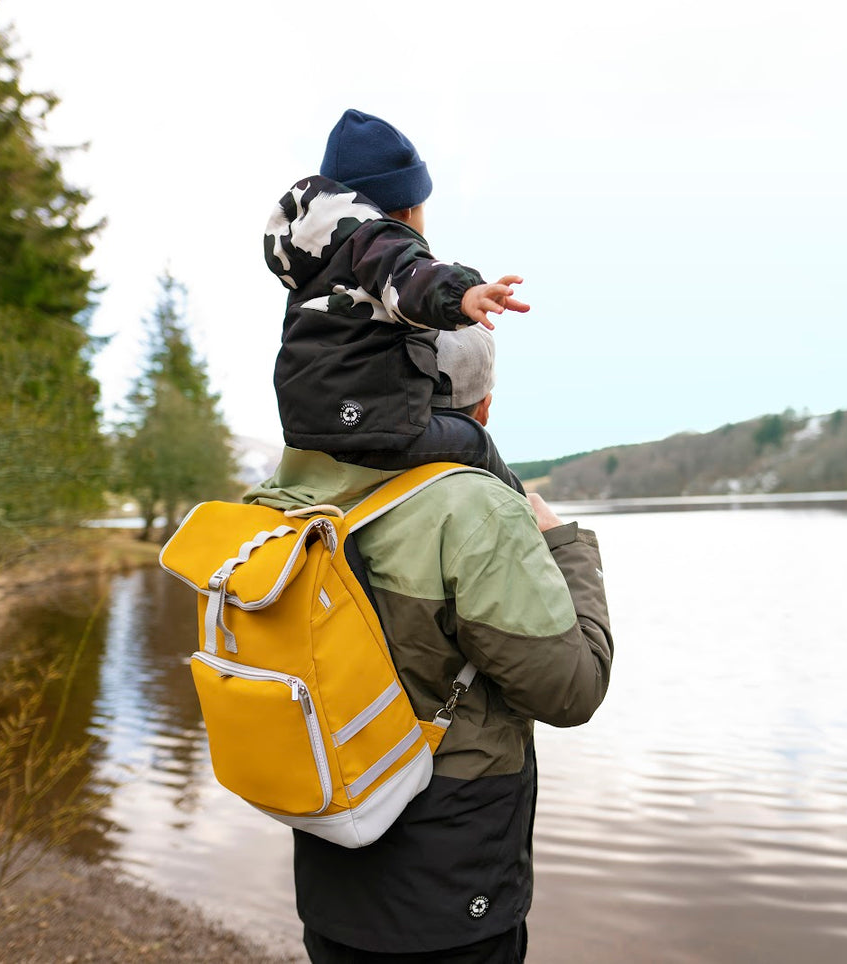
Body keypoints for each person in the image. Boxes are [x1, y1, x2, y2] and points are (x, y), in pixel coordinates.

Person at [245, 325, 614, 963]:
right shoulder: (475, 509)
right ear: (484, 408)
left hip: (332, 837)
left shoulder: (293, 493)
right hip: (450, 880)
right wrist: (565, 547)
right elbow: (571, 689)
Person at [265, 108, 529, 494]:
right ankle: (525, 515)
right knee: (474, 442)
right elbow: (409, 277)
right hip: (371, 430)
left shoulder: (316, 267)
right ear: (405, 209)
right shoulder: (376, 241)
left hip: (306, 431)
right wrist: (465, 293)